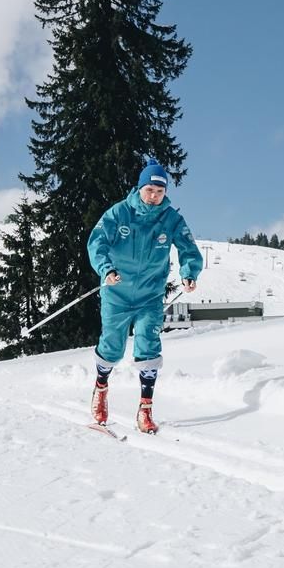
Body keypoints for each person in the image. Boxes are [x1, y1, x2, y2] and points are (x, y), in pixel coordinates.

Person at [86, 162, 203, 433]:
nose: (154, 196)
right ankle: (101, 387)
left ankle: (145, 409)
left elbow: (188, 247)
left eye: (159, 191)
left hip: (150, 294)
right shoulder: (119, 213)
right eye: (149, 189)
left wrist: (189, 272)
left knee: (148, 345)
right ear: (140, 188)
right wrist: (106, 270)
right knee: (112, 345)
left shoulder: (171, 219)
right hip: (117, 291)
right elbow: (97, 242)